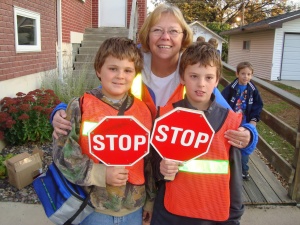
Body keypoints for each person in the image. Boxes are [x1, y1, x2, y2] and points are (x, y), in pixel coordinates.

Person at [50, 3, 257, 171]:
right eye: (157, 30)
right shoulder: (132, 66)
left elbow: (225, 117)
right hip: (136, 167)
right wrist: (61, 112)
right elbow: (98, 99)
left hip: (174, 172)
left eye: (173, 31)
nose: (165, 37)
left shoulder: (194, 73)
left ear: (183, 37)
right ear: (147, 35)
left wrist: (248, 134)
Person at [52, 37, 156, 225]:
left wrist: (150, 201)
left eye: (127, 70)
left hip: (134, 208)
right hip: (94, 208)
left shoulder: (144, 111)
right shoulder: (81, 106)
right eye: (113, 68)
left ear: (135, 74)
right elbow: (63, 155)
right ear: (99, 70)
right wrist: (100, 173)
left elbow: (147, 163)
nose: (120, 76)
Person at [151, 42, 244, 225]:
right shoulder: (165, 115)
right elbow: (153, 164)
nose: (201, 84)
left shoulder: (230, 122)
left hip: (214, 215)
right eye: (194, 76)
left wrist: (234, 216)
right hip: (171, 213)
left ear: (217, 81)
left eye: (209, 78)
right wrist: (160, 170)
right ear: (182, 77)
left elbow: (235, 175)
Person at [221, 61, 263, 181]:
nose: (246, 77)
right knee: (230, 142)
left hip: (246, 122)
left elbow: (258, 105)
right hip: (232, 121)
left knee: (243, 145)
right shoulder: (231, 88)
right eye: (243, 73)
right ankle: (229, 167)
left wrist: (253, 121)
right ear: (237, 74)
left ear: (252, 75)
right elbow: (223, 101)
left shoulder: (253, 90)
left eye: (249, 74)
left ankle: (244, 169)